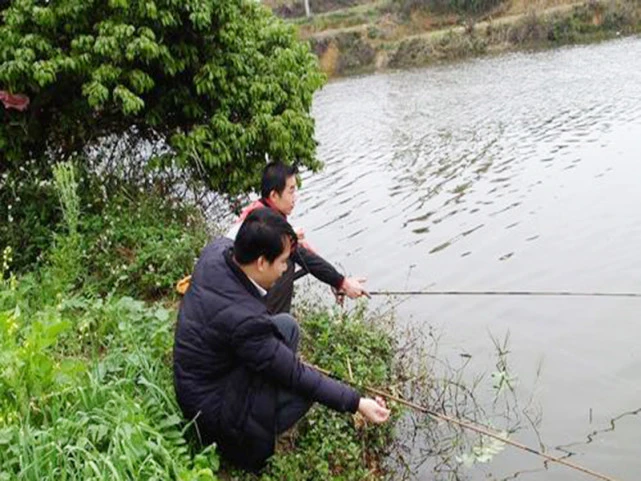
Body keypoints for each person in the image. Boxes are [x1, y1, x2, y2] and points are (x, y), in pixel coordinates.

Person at [173, 208, 390, 472]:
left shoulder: (216, 252)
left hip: (197, 380)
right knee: (303, 390)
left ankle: (260, 403)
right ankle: (249, 446)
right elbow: (297, 375)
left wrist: (337, 280)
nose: (286, 268)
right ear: (262, 262)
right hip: (210, 412)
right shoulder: (246, 321)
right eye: (283, 262)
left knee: (286, 327)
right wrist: (358, 403)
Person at [227, 161, 368, 313]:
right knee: (286, 260)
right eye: (291, 191)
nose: (295, 197)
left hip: (235, 292)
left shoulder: (260, 212)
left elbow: (306, 253)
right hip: (238, 297)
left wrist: (335, 281)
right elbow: (302, 256)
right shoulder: (265, 225)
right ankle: (272, 323)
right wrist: (343, 283)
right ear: (274, 195)